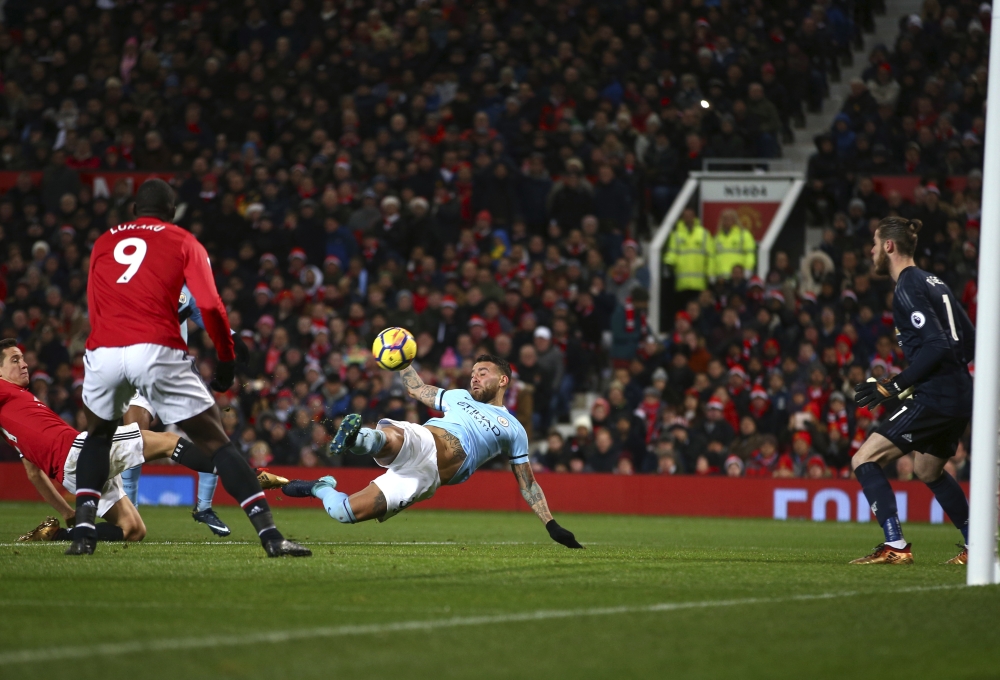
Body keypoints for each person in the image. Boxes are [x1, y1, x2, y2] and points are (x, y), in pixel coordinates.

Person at [72, 178, 309, 557]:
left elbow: (94, 298)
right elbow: (210, 306)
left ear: (134, 211)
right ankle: (270, 536)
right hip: (155, 349)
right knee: (216, 442)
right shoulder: (183, 241)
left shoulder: (104, 241)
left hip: (104, 349)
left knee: (99, 438)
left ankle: (84, 530)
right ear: (172, 213)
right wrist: (227, 358)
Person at [282, 356, 583, 549]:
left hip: (425, 479)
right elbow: (418, 390)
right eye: (473, 373)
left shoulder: (514, 428)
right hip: (423, 439)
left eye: (483, 373)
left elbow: (527, 482)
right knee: (397, 437)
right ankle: (357, 437)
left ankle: (322, 487)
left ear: (503, 380)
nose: (474, 377)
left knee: (344, 512)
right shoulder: (457, 396)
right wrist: (402, 362)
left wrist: (551, 524)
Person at [0, 339, 282, 544]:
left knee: (132, 530)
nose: (24, 363)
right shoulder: (5, 392)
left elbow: (33, 473)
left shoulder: (12, 419)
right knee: (169, 441)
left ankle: (57, 536)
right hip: (80, 452)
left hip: (74, 474)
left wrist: (67, 513)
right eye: (15, 360)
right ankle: (246, 474)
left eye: (23, 358)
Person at [850, 217, 974, 566]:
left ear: (889, 246)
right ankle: (976, 544)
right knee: (927, 470)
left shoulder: (906, 286)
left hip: (938, 396)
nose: (872, 251)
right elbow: (969, 339)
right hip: (959, 392)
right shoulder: (937, 283)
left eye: (875, 244)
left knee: (864, 458)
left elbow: (935, 345)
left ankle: (896, 545)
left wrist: (895, 386)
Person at [119, 284, 253, 538]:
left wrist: (231, 336)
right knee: (132, 437)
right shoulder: (135, 278)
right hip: (140, 370)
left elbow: (203, 313)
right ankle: (130, 512)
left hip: (175, 374)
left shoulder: (185, 286)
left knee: (213, 436)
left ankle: (204, 507)